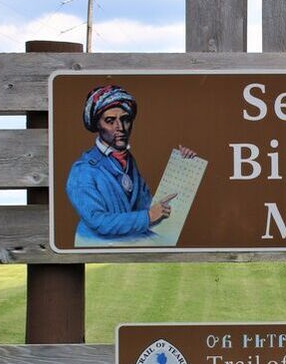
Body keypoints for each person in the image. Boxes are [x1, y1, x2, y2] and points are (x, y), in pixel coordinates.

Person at [66, 84, 195, 246]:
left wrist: (183, 166)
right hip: (97, 246)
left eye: (125, 119)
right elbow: (98, 221)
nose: (120, 128)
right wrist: (147, 217)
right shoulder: (83, 170)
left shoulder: (128, 162)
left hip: (128, 243)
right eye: (110, 121)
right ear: (97, 125)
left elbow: (148, 206)